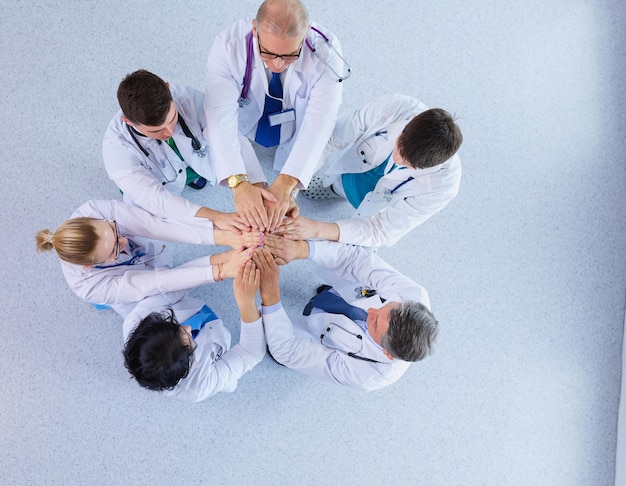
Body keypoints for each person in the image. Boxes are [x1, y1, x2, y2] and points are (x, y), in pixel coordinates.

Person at [204, 0, 346, 233]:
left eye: (290, 55)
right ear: (254, 28)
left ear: (305, 34)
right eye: (268, 53)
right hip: (247, 119)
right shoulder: (228, 46)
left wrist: (286, 183)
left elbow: (320, 122)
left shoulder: (326, 53)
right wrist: (238, 182)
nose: (278, 65)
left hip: (294, 123)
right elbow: (220, 116)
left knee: (298, 152)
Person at [279, 94, 463, 247]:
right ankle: (335, 189)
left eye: (408, 165)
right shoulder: (392, 109)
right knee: (336, 185)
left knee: (351, 252)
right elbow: (331, 139)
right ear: (412, 120)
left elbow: (381, 230)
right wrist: (290, 187)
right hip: (352, 174)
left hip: (376, 212)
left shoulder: (443, 186)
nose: (397, 159)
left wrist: (315, 228)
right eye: (399, 147)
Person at [255, 237, 438, 391]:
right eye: (388, 306)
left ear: (387, 353)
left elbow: (289, 351)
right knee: (346, 267)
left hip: (313, 338)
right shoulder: (414, 295)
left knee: (274, 342)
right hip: (348, 292)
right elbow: (354, 259)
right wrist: (303, 249)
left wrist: (270, 294)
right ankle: (329, 295)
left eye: (374, 324)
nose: (371, 310)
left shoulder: (368, 375)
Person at [35, 200, 262, 317]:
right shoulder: (90, 287)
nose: (123, 242)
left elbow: (156, 226)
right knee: (162, 295)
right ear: (91, 265)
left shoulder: (93, 209)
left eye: (114, 231)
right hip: (121, 290)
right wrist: (220, 271)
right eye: (115, 249)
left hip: (138, 258)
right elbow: (158, 282)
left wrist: (223, 237)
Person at [103, 70, 247, 233]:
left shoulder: (187, 97)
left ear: (168, 88)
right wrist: (216, 217)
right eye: (156, 131)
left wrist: (244, 184)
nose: (169, 132)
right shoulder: (116, 150)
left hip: (186, 161)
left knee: (197, 161)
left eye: (172, 120)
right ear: (127, 121)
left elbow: (227, 134)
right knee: (155, 211)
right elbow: (156, 199)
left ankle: (192, 176)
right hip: (156, 182)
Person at [122, 261, 266, 402]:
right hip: (214, 365)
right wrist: (246, 302)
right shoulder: (199, 386)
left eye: (175, 327)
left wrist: (222, 268)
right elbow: (251, 352)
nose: (188, 328)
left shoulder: (137, 319)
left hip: (201, 317)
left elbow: (174, 286)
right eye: (188, 339)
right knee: (230, 383)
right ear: (187, 365)